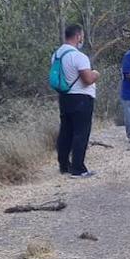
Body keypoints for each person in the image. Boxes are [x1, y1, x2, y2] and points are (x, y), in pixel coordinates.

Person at [52, 24, 100, 178]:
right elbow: (87, 79)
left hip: (65, 97)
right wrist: (95, 74)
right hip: (81, 98)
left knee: (66, 131)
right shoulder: (78, 56)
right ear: (78, 36)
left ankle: (64, 165)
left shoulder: (57, 55)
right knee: (81, 132)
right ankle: (78, 168)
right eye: (82, 36)